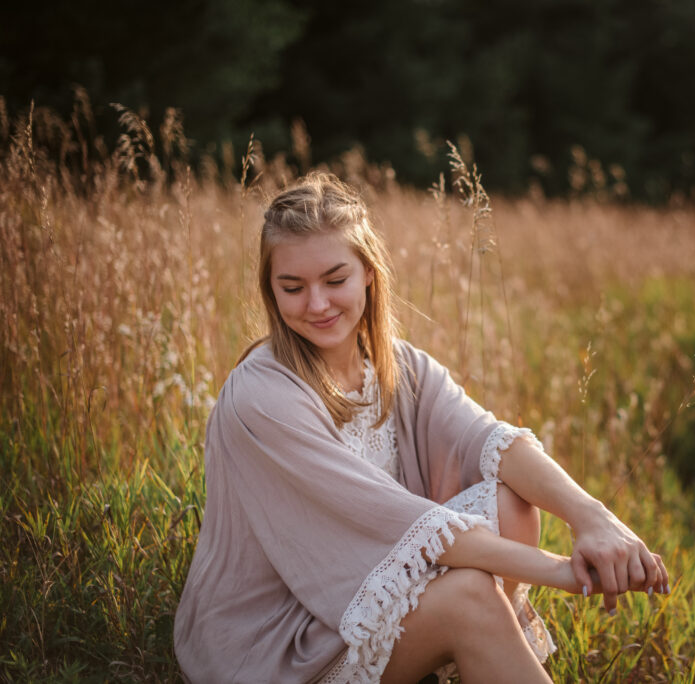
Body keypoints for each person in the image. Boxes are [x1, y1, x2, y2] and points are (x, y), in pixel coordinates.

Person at [173, 172, 669, 684]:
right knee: (469, 598)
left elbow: (491, 440)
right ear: (270, 288)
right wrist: (562, 570)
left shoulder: (400, 367)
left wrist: (593, 518)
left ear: (368, 271)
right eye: (292, 287)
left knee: (510, 499)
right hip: (277, 638)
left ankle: (478, 659)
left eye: (334, 279)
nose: (317, 304)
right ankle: (480, 643)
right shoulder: (262, 397)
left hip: (361, 590)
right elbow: (395, 524)